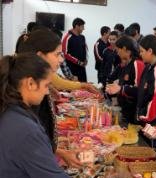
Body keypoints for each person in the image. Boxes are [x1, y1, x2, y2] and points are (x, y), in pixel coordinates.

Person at [0, 53, 118, 178]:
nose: (48, 92)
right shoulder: (23, 128)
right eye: (46, 86)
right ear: (30, 83)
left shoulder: (13, 114)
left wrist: (56, 153)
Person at [19, 29, 99, 167]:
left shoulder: (31, 88)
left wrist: (58, 151)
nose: (61, 59)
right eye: (57, 54)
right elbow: (32, 149)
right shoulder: (27, 101)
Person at [106, 35, 145, 123]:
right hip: (124, 110)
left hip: (134, 113)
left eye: (118, 50)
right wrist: (114, 97)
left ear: (124, 49)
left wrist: (121, 88)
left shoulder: (137, 63)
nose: (117, 53)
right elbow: (111, 79)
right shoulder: (124, 64)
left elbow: (140, 90)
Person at [62, 17, 88, 82]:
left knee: (84, 86)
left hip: (82, 68)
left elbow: (85, 49)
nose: (83, 29)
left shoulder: (82, 37)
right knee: (74, 89)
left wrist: (85, 59)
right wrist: (78, 62)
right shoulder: (67, 38)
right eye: (82, 27)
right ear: (76, 26)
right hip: (72, 68)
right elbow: (65, 54)